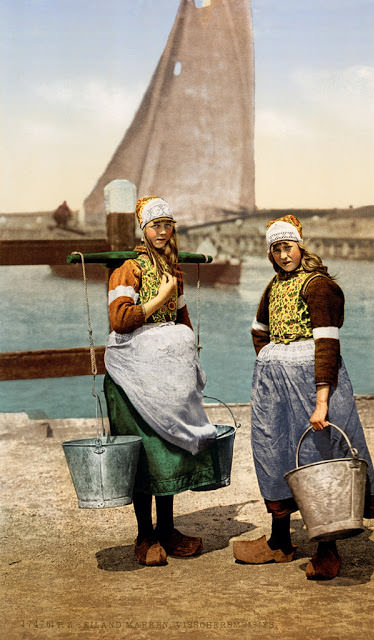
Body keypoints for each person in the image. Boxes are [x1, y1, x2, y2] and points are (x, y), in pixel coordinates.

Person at [233, 215, 374, 580]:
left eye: (288, 247)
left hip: (314, 382)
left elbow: (327, 345)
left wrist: (322, 400)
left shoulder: (318, 286)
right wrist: (272, 363)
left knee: (321, 456)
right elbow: (259, 330)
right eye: (276, 249)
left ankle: (328, 548)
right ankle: (280, 542)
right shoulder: (273, 286)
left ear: (301, 245)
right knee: (274, 452)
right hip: (275, 387)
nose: (284, 256)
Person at [104, 196, 218, 566]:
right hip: (133, 373)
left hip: (167, 373)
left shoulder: (174, 270)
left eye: (168, 225)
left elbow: (181, 317)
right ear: (144, 229)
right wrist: (161, 297)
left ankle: (167, 529)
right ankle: (144, 535)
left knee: (169, 448)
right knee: (143, 452)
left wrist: (190, 364)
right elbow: (120, 320)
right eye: (156, 225)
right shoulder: (128, 271)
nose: (162, 231)